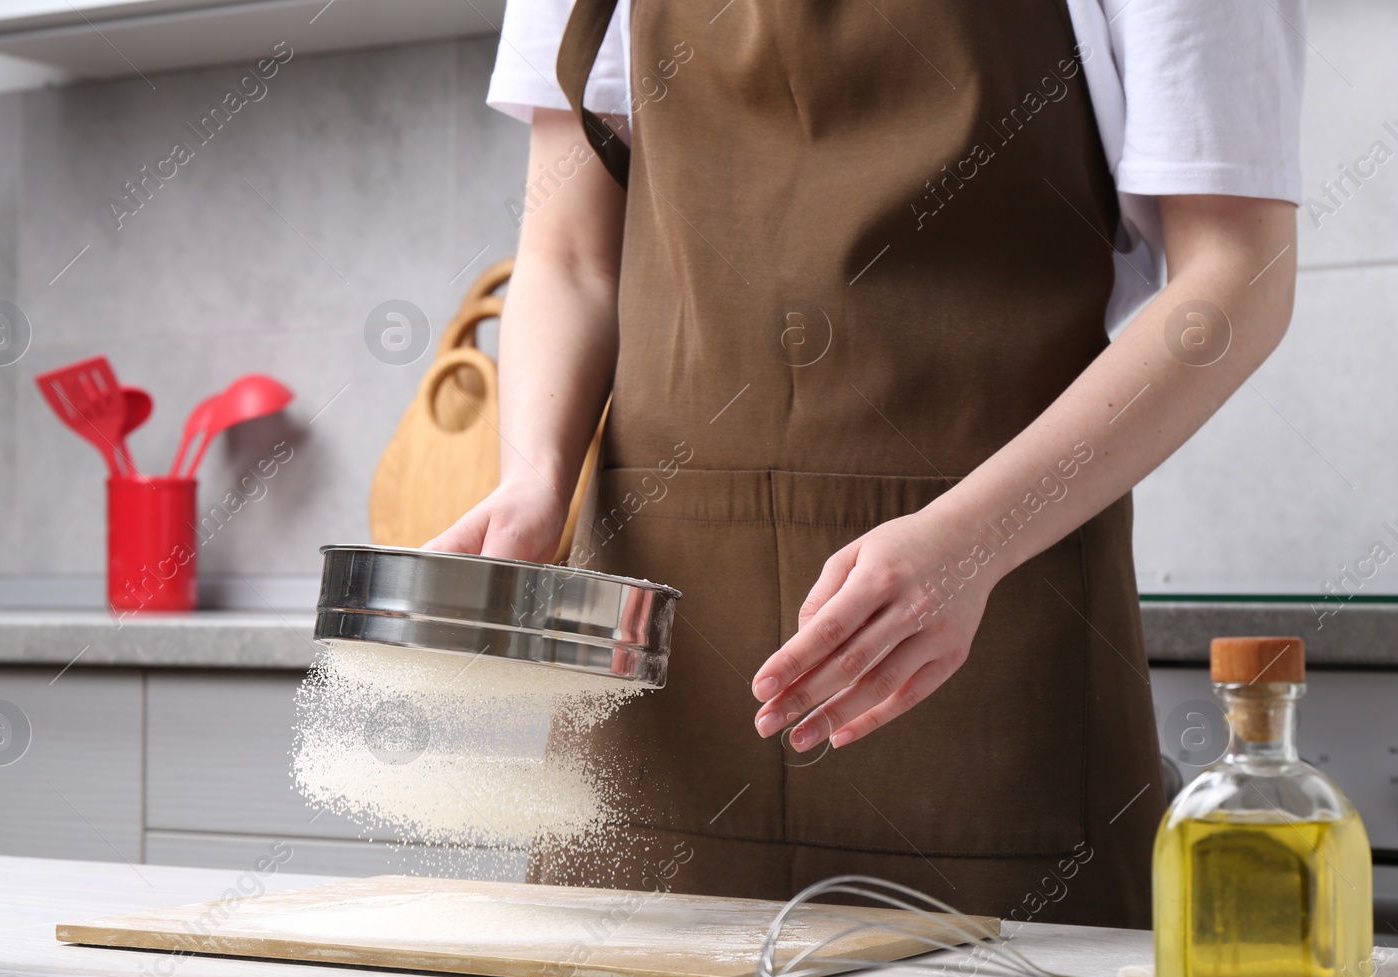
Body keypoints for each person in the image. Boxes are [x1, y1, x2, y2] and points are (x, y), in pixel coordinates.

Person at [430, 0, 1306, 928]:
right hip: (660, 672)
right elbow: (569, 256)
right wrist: (536, 477)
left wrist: (972, 538)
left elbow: (1237, 274)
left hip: (990, 647)